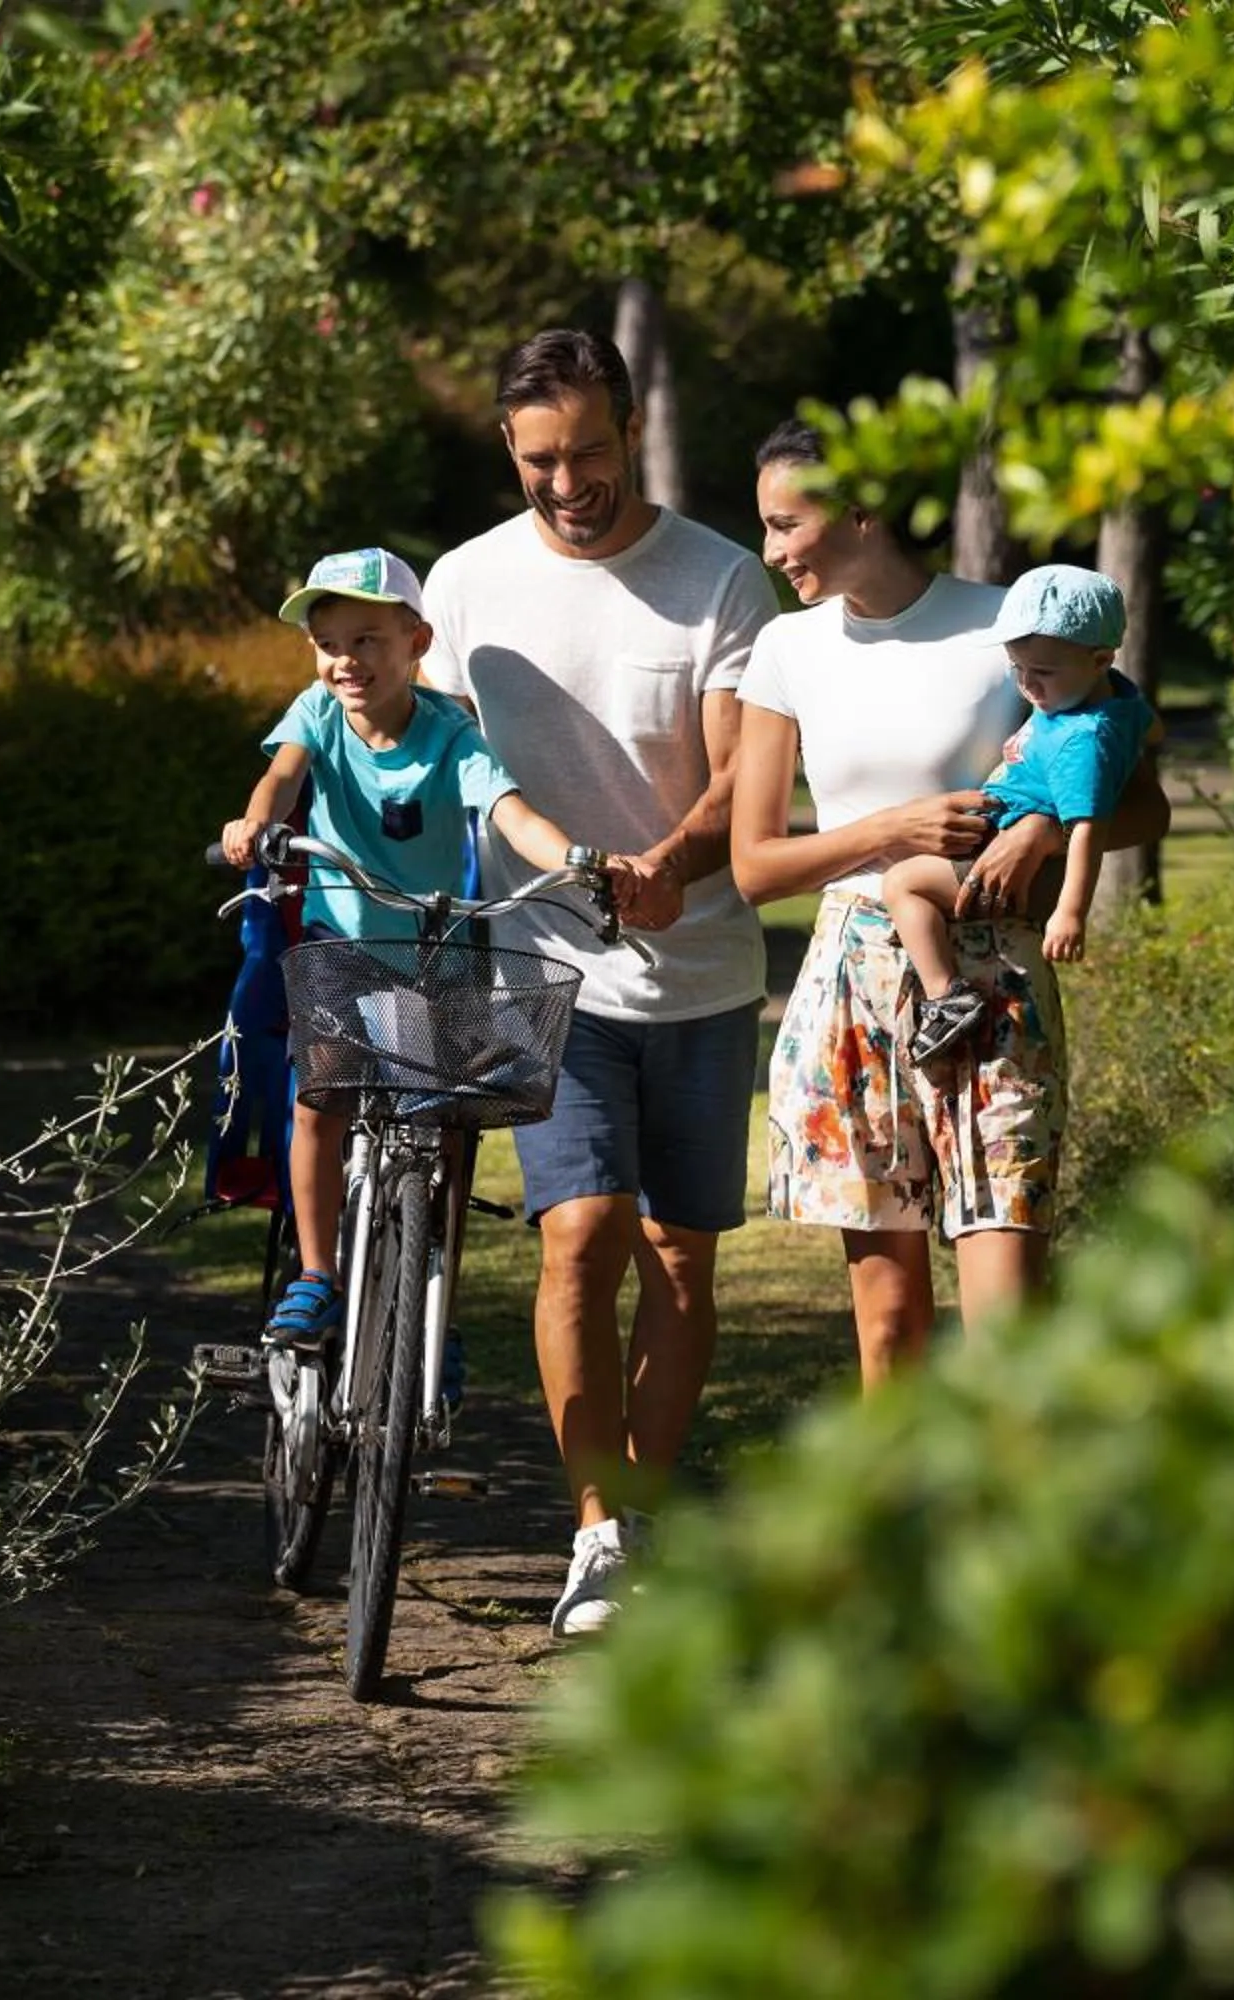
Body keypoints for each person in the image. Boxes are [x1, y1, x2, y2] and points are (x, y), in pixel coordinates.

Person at [418, 329, 775, 1637]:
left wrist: (674, 860)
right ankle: (598, 1533)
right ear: (509, 452)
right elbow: (417, 746)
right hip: (528, 958)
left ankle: (648, 1507)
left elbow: (745, 768)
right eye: (541, 459)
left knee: (681, 1259)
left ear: (632, 430)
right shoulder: (464, 585)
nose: (568, 481)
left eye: (591, 453)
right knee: (579, 1235)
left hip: (698, 964)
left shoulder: (722, 580)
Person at [730, 420, 1169, 1384]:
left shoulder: (1007, 623)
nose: (771, 553)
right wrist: (897, 831)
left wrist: (1044, 830)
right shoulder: (787, 648)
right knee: (889, 1327)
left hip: (994, 982)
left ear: (860, 512)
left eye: (785, 525)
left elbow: (1140, 799)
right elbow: (758, 866)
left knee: (1008, 1319)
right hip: (855, 976)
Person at [220, 546, 602, 1352]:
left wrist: (574, 860)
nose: (345, 661)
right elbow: (282, 779)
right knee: (319, 1099)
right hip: (342, 942)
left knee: (446, 1124)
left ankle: (432, 1303)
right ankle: (317, 1275)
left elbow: (509, 811)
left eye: (367, 640)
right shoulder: (318, 717)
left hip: (435, 951)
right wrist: (255, 823)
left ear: (416, 643)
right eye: (329, 643)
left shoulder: (451, 734)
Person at [882, 564, 1156, 1064]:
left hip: (999, 853)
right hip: (997, 830)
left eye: (1042, 673)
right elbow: (1146, 726)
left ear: (1099, 659)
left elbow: (1087, 832)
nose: (1027, 684)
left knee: (902, 884)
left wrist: (1070, 914)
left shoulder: (1081, 741)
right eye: (1017, 668)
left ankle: (946, 998)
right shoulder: (1106, 695)